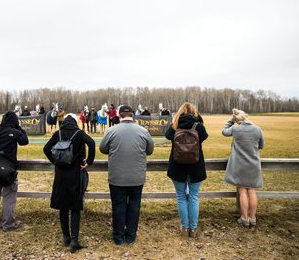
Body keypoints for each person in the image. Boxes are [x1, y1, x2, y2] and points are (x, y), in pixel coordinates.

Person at [99, 105, 154, 245]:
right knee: (134, 206)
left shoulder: (111, 130)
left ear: (119, 116)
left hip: (117, 177)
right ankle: (131, 236)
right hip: (137, 176)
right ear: (132, 115)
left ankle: (118, 237)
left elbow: (103, 148)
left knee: (118, 206)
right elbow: (150, 150)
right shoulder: (143, 131)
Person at [43, 114, 96, 253]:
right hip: (76, 174)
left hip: (60, 175)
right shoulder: (79, 133)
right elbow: (92, 143)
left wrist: (55, 160)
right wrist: (88, 161)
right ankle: (74, 240)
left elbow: (45, 149)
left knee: (63, 207)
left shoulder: (58, 133)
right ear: (74, 123)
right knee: (75, 207)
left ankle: (66, 237)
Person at [165, 102, 208, 238]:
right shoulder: (198, 126)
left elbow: (167, 136)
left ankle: (184, 227)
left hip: (177, 167)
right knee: (194, 197)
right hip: (195, 167)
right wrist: (198, 119)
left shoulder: (175, 126)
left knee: (181, 197)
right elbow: (204, 136)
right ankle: (193, 229)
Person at [223, 108, 265, 228]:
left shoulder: (236, 128)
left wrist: (231, 119)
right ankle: (253, 218)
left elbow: (224, 131)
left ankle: (244, 218)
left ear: (237, 119)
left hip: (239, 165)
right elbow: (262, 145)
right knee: (252, 191)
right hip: (253, 164)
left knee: (242, 191)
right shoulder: (257, 129)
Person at [0, 111, 29, 232]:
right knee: (9, 196)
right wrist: (19, 128)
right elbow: (24, 141)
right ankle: (8, 223)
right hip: (9, 169)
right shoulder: (14, 132)